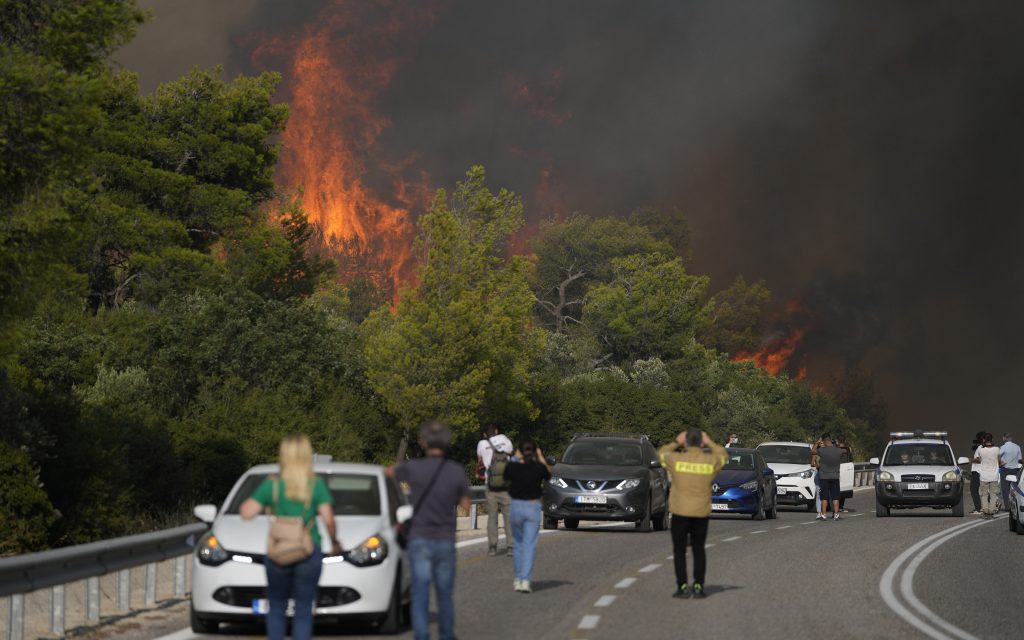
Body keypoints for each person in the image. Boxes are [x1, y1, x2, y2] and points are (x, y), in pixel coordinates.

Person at [239, 434, 340, 640]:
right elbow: (329, 519)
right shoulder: (315, 485)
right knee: (303, 609)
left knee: (276, 606)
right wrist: (335, 542)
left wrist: (267, 504)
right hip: (308, 551)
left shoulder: (272, 485)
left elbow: (246, 512)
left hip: (278, 552)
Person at [387, 421, 471, 640]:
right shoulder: (455, 470)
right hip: (444, 539)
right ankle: (445, 635)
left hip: (419, 538)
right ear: (446, 443)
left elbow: (388, 473)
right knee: (444, 594)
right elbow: (466, 505)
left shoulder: (412, 468)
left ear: (423, 443)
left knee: (419, 592)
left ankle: (422, 636)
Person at [658, 429, 727, 599]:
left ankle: (682, 586)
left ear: (686, 442)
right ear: (701, 443)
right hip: (700, 513)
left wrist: (676, 441)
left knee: (679, 550)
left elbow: (660, 454)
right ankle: (698, 586)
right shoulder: (709, 460)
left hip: (680, 512)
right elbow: (724, 455)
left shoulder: (676, 459)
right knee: (698, 549)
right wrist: (709, 442)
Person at [502, 438, 552, 593]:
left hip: (516, 506)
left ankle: (517, 579)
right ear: (535, 451)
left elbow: (505, 477)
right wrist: (541, 457)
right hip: (532, 507)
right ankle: (525, 580)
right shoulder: (538, 468)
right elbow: (549, 474)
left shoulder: (512, 467)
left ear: (519, 451)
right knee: (529, 546)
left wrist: (517, 456)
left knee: (517, 545)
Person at [476, 425, 515, 556]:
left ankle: (493, 547)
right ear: (497, 431)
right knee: (508, 517)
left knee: (492, 517)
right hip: (506, 486)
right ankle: (510, 546)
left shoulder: (482, 444)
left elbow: (480, 461)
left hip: (490, 486)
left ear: (485, 434)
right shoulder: (506, 440)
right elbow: (511, 454)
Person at [813, 434, 843, 521]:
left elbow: (812, 451)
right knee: (835, 497)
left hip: (824, 477)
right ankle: (836, 514)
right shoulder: (838, 450)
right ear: (830, 440)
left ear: (824, 441)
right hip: (835, 476)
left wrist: (817, 443)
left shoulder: (821, 450)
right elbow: (845, 452)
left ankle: (824, 514)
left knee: (824, 497)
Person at [974, 433, 1003, 518]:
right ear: (992, 440)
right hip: (994, 476)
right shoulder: (997, 449)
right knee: (993, 494)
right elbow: (999, 461)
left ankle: (985, 511)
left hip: (984, 476)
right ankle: (991, 511)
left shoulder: (981, 450)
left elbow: (978, 460)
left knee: (984, 494)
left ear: (984, 440)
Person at [999, 433, 1022, 511]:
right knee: (1015, 489)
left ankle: (1007, 507)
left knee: (1005, 489)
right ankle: (1015, 506)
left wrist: (1001, 463)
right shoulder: (1017, 447)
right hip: (1015, 470)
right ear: (1011, 438)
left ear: (1004, 438)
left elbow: (997, 456)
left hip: (1005, 470)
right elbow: (1020, 460)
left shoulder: (1003, 447)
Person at [968, 431, 985, 514]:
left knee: (973, 490)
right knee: (984, 490)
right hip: (983, 471)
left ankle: (979, 508)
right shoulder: (988, 448)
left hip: (977, 472)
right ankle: (987, 507)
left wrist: (970, 460)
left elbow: (979, 460)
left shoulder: (980, 448)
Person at [836, 436, 853, 513]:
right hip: (845, 469)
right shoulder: (848, 449)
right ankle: (841, 506)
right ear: (844, 441)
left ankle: (836, 506)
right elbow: (851, 459)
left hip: (835, 470)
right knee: (844, 489)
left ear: (837, 441)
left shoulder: (835, 450)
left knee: (835, 489)